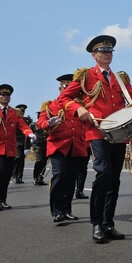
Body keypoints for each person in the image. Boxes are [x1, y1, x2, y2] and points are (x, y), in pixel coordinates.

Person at [56, 35, 132, 243]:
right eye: (103, 51)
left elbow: (131, 103)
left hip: (119, 134)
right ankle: (97, 223)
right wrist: (79, 108)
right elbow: (64, 99)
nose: (108, 54)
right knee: (103, 173)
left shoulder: (121, 79)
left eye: (110, 51)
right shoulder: (86, 76)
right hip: (97, 132)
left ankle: (108, 223)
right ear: (94, 55)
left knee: (114, 179)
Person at [39, 73, 87, 223]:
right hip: (58, 146)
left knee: (71, 179)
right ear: (61, 88)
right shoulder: (50, 105)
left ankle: (67, 209)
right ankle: (56, 210)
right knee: (59, 176)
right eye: (66, 87)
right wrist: (48, 124)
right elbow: (41, 122)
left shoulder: (80, 106)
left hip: (76, 146)